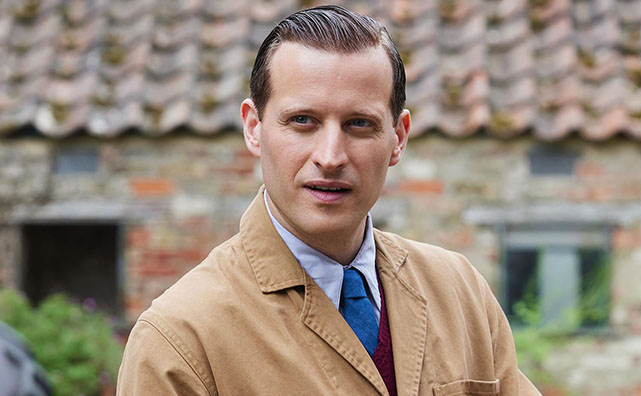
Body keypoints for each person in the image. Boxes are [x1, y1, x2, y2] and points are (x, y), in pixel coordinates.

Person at [117, 5, 541, 396]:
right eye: (303, 121)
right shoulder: (180, 340)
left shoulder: (460, 293)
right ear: (253, 127)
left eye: (359, 124)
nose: (331, 156)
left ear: (398, 137)